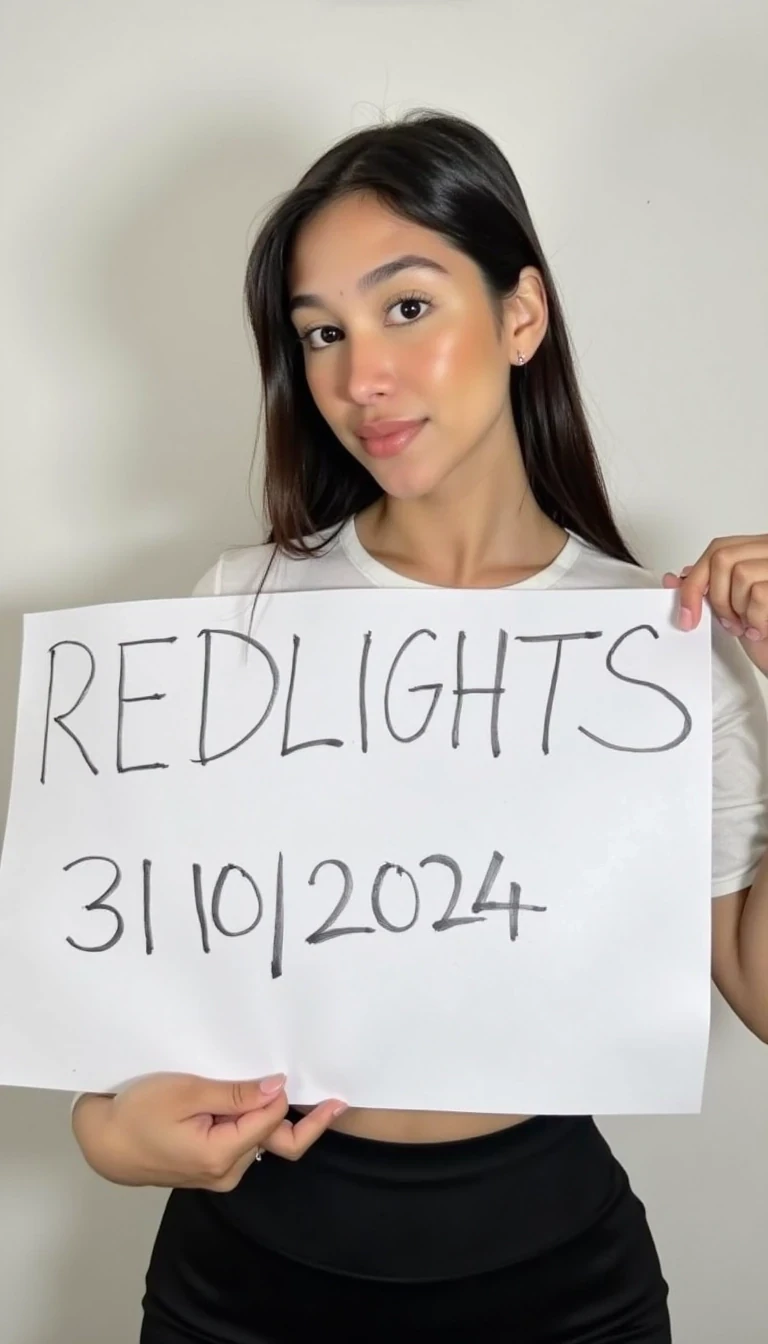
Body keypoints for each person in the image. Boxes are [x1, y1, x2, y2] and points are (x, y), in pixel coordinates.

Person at [71, 109, 768, 1343]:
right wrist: (104, 1127)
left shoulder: (657, 647)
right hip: (250, 1275)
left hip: (560, 1280)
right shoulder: (240, 611)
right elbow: (133, 967)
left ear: (521, 314)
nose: (358, 378)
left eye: (405, 308)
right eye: (321, 333)